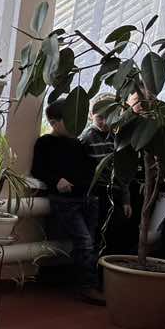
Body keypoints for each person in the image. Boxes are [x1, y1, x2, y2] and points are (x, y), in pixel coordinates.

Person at [32, 97, 105, 304]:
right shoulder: (45, 143)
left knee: (91, 241)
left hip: (87, 198)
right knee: (85, 241)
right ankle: (87, 286)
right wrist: (56, 181)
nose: (75, 124)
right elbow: (38, 169)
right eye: (70, 120)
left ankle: (84, 281)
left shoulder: (78, 143)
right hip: (65, 201)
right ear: (54, 122)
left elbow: (90, 168)